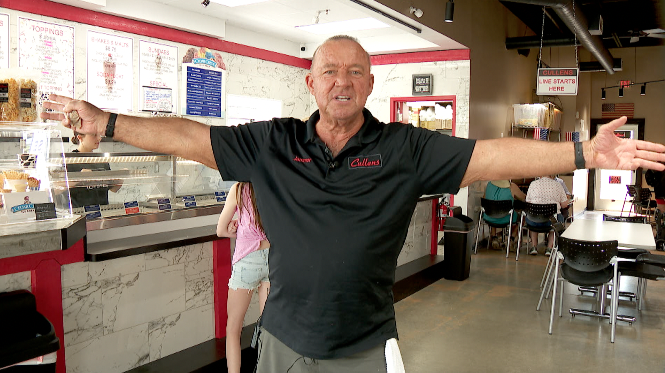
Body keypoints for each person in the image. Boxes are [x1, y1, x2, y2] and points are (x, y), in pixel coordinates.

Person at [41, 35, 665, 372]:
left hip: (363, 349)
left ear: (370, 84)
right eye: (329, 69)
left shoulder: (405, 149)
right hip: (282, 343)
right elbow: (189, 136)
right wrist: (111, 121)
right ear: (310, 82)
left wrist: (582, 153)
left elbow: (494, 156)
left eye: (356, 71)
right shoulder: (272, 143)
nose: (342, 80)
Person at [216, 182, 270, 373]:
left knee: (233, 329)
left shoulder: (239, 189)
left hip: (248, 261)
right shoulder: (274, 182)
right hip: (272, 258)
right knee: (268, 329)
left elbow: (221, 230)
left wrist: (239, 229)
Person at [66, 129, 121, 208]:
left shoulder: (101, 160)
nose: (99, 138)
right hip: (80, 215)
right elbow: (56, 189)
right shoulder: (69, 160)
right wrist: (79, 177)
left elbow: (113, 188)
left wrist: (119, 179)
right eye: (94, 135)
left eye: (99, 135)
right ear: (80, 138)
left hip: (102, 213)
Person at [525, 175, 569, 256]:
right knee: (556, 220)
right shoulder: (558, 185)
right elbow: (564, 205)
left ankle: (534, 247)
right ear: (552, 175)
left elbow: (528, 202)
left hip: (534, 221)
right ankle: (549, 248)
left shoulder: (533, 184)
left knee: (533, 216)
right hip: (551, 222)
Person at [483, 180, 526, 251]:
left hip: (489, 217)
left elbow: (485, 199)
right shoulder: (512, 187)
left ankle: (494, 237)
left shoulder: (489, 185)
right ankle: (512, 238)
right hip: (506, 218)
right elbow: (524, 198)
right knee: (522, 215)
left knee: (493, 209)